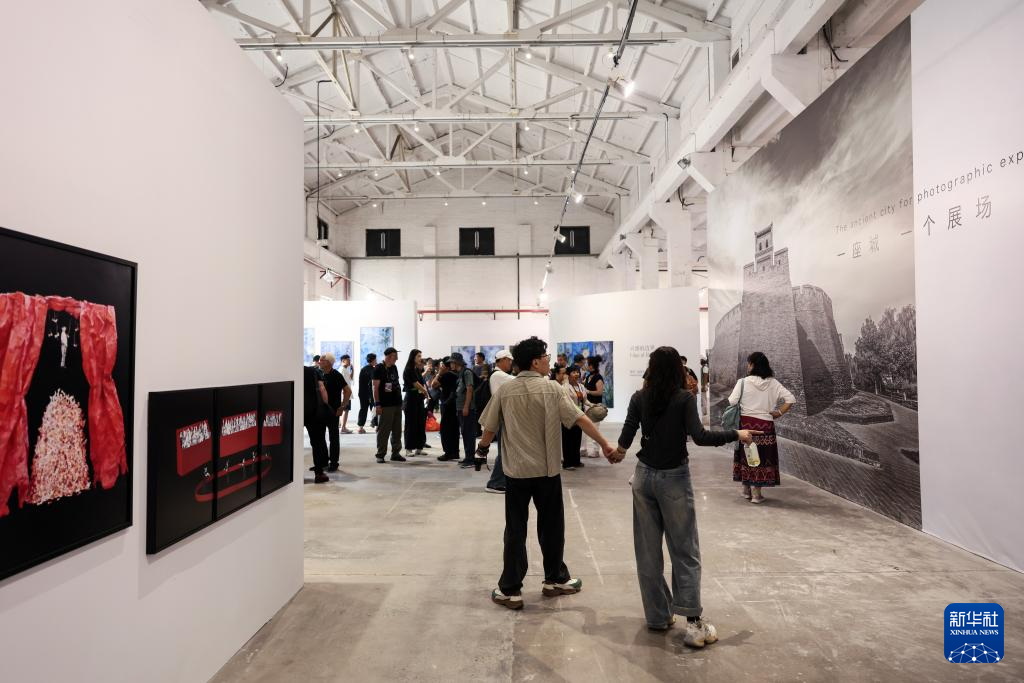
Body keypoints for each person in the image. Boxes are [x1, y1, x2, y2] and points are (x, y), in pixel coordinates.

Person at [615, 346, 758, 645]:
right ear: (678, 370)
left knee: (647, 552)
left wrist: (617, 451)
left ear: (651, 368)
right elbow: (700, 437)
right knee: (684, 550)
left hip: (643, 477)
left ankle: (658, 616)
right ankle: (693, 626)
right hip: (674, 480)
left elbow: (626, 436)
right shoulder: (683, 398)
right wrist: (737, 434)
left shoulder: (639, 397)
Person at [475, 337, 617, 610]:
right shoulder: (552, 388)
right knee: (552, 527)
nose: (549, 361)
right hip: (547, 471)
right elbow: (579, 418)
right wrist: (604, 444)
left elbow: (489, 427)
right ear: (535, 361)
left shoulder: (506, 390)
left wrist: (481, 449)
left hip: (516, 472)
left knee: (515, 530)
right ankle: (555, 579)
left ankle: (510, 589)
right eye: (546, 357)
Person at [729, 351, 796, 504]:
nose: (748, 366)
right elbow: (791, 399)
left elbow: (732, 401)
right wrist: (778, 412)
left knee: (746, 455)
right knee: (761, 457)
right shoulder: (773, 383)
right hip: (766, 426)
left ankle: (746, 490)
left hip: (746, 425)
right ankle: (756, 494)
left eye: (749, 363)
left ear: (753, 365)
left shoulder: (743, 382)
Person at [485, 349, 515, 494]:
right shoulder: (498, 375)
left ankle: (500, 481)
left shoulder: (498, 375)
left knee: (504, 451)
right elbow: (520, 380)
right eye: (509, 361)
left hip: (504, 417)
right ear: (502, 360)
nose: (510, 364)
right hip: (502, 417)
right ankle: (495, 482)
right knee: (504, 452)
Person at [318, 353, 351, 472]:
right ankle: (322, 462)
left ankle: (333, 462)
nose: (319, 362)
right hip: (319, 411)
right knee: (319, 437)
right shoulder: (318, 373)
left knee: (333, 437)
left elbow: (347, 391)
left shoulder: (336, 375)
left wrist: (342, 406)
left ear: (329, 362)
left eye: (322, 360)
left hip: (333, 411)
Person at [373, 347, 405, 463]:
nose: (397, 358)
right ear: (389, 356)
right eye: (395, 356)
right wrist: (377, 405)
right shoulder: (379, 368)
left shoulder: (394, 367)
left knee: (397, 430)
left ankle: (396, 453)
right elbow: (375, 388)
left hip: (397, 403)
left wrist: (401, 402)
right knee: (384, 430)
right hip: (386, 405)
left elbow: (395, 384)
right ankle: (380, 454)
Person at [303, 364, 330, 483]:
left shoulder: (290, 370)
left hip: (295, 410)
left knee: (292, 442)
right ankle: (319, 473)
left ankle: (293, 474)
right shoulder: (313, 371)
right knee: (317, 442)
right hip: (313, 411)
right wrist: (325, 406)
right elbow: (322, 388)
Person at [450, 352, 478, 468]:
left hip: (467, 409)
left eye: (452, 362)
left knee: (469, 433)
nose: (451, 364)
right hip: (461, 408)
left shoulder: (466, 372)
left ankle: (470, 459)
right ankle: (468, 457)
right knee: (465, 433)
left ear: (457, 362)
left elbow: (469, 389)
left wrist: (466, 406)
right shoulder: (461, 373)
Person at [431, 357, 460, 461]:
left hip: (447, 404)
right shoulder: (456, 374)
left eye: (442, 365)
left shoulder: (447, 375)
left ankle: (448, 452)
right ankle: (455, 452)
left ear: (445, 366)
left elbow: (433, 385)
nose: (440, 366)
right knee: (454, 429)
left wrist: (439, 373)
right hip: (454, 405)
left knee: (446, 429)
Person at [562, 366, 588, 471]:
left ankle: (576, 460)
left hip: (579, 416)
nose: (576, 374)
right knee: (568, 439)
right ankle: (567, 463)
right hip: (568, 416)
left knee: (577, 438)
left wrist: (592, 405)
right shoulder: (565, 387)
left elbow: (585, 401)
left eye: (577, 372)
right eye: (573, 372)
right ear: (568, 375)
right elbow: (566, 401)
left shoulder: (581, 386)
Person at [403, 349, 428, 456]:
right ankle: (409, 449)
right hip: (411, 399)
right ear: (412, 357)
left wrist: (424, 392)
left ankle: (419, 447)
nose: (420, 358)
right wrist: (425, 391)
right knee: (411, 424)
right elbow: (415, 383)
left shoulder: (417, 369)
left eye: (420, 356)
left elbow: (421, 381)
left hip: (419, 399)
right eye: (418, 356)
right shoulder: (408, 369)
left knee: (420, 423)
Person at [581, 355, 605, 458]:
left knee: (594, 429)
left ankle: (595, 451)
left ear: (594, 365)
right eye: (588, 364)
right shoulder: (587, 376)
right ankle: (583, 449)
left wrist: (588, 391)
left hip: (595, 407)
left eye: (590, 364)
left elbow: (599, 392)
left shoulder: (598, 377)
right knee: (583, 428)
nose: (588, 366)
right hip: (586, 405)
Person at [357, 353, 378, 434]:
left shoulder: (363, 369)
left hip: (362, 393)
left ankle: (360, 427)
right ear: (373, 360)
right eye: (375, 359)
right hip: (370, 393)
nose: (376, 361)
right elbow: (373, 383)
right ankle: (376, 426)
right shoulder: (373, 370)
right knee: (375, 408)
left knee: (363, 409)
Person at [339, 354, 355, 433]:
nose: (349, 361)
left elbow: (350, 378)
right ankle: (343, 427)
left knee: (345, 410)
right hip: (345, 394)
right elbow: (340, 382)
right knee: (345, 410)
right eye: (348, 360)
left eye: (349, 360)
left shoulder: (345, 369)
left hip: (347, 393)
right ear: (343, 361)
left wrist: (353, 370)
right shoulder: (342, 370)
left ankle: (343, 426)